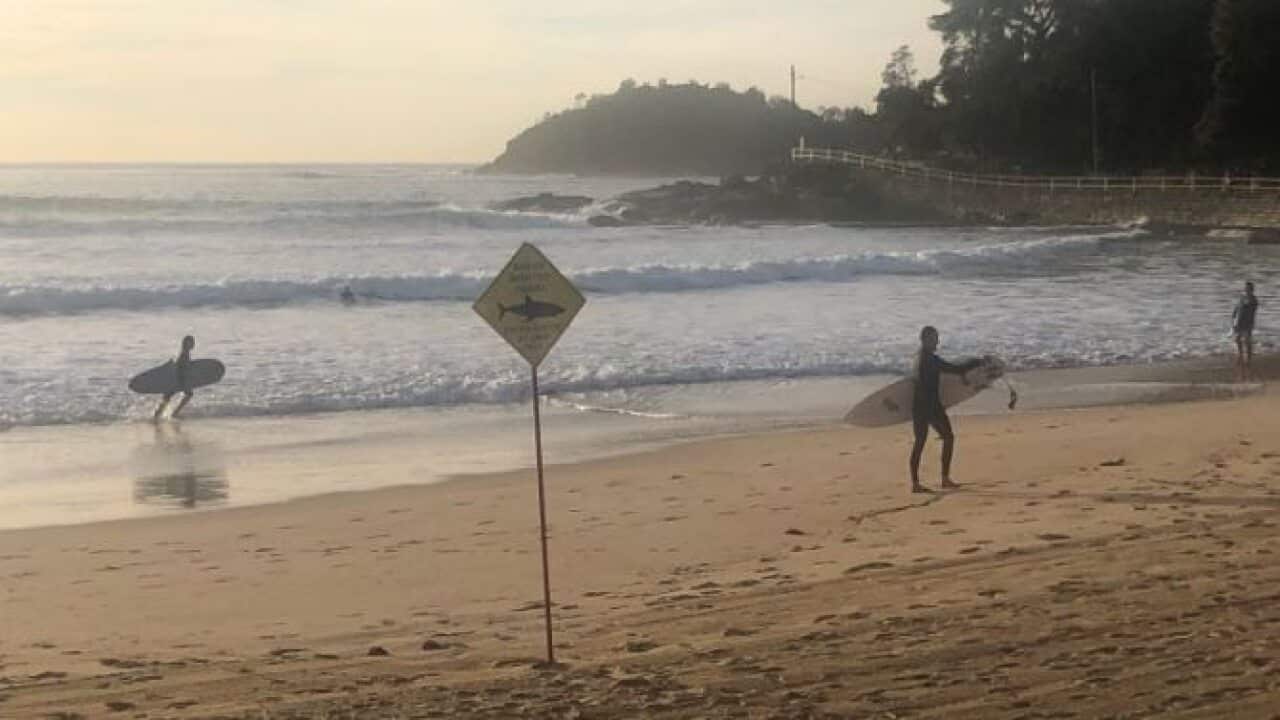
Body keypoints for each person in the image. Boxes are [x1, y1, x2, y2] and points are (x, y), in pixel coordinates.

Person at [910, 326, 983, 494]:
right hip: (932, 406)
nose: (938, 341)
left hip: (918, 407)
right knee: (948, 438)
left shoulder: (917, 359)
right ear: (926, 340)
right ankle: (945, 478)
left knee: (919, 443)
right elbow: (956, 369)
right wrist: (976, 362)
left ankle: (915, 483)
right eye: (935, 338)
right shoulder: (931, 360)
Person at [154, 335, 196, 420]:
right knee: (187, 394)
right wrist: (182, 381)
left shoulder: (184, 353)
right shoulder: (184, 354)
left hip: (175, 379)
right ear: (185, 344)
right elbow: (180, 368)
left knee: (167, 397)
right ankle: (173, 413)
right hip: (177, 380)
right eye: (191, 342)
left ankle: (158, 414)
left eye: (192, 342)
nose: (192, 344)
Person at [1232, 281, 1259, 382]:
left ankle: (1249, 358)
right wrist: (1233, 318)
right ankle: (1240, 354)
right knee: (1237, 339)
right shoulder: (1242, 298)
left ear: (1252, 290)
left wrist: (1245, 302)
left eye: (1248, 289)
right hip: (1239, 322)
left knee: (1247, 340)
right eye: (1245, 289)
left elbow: (1251, 309)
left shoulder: (1254, 300)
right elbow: (1236, 308)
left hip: (1248, 323)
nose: (1246, 290)